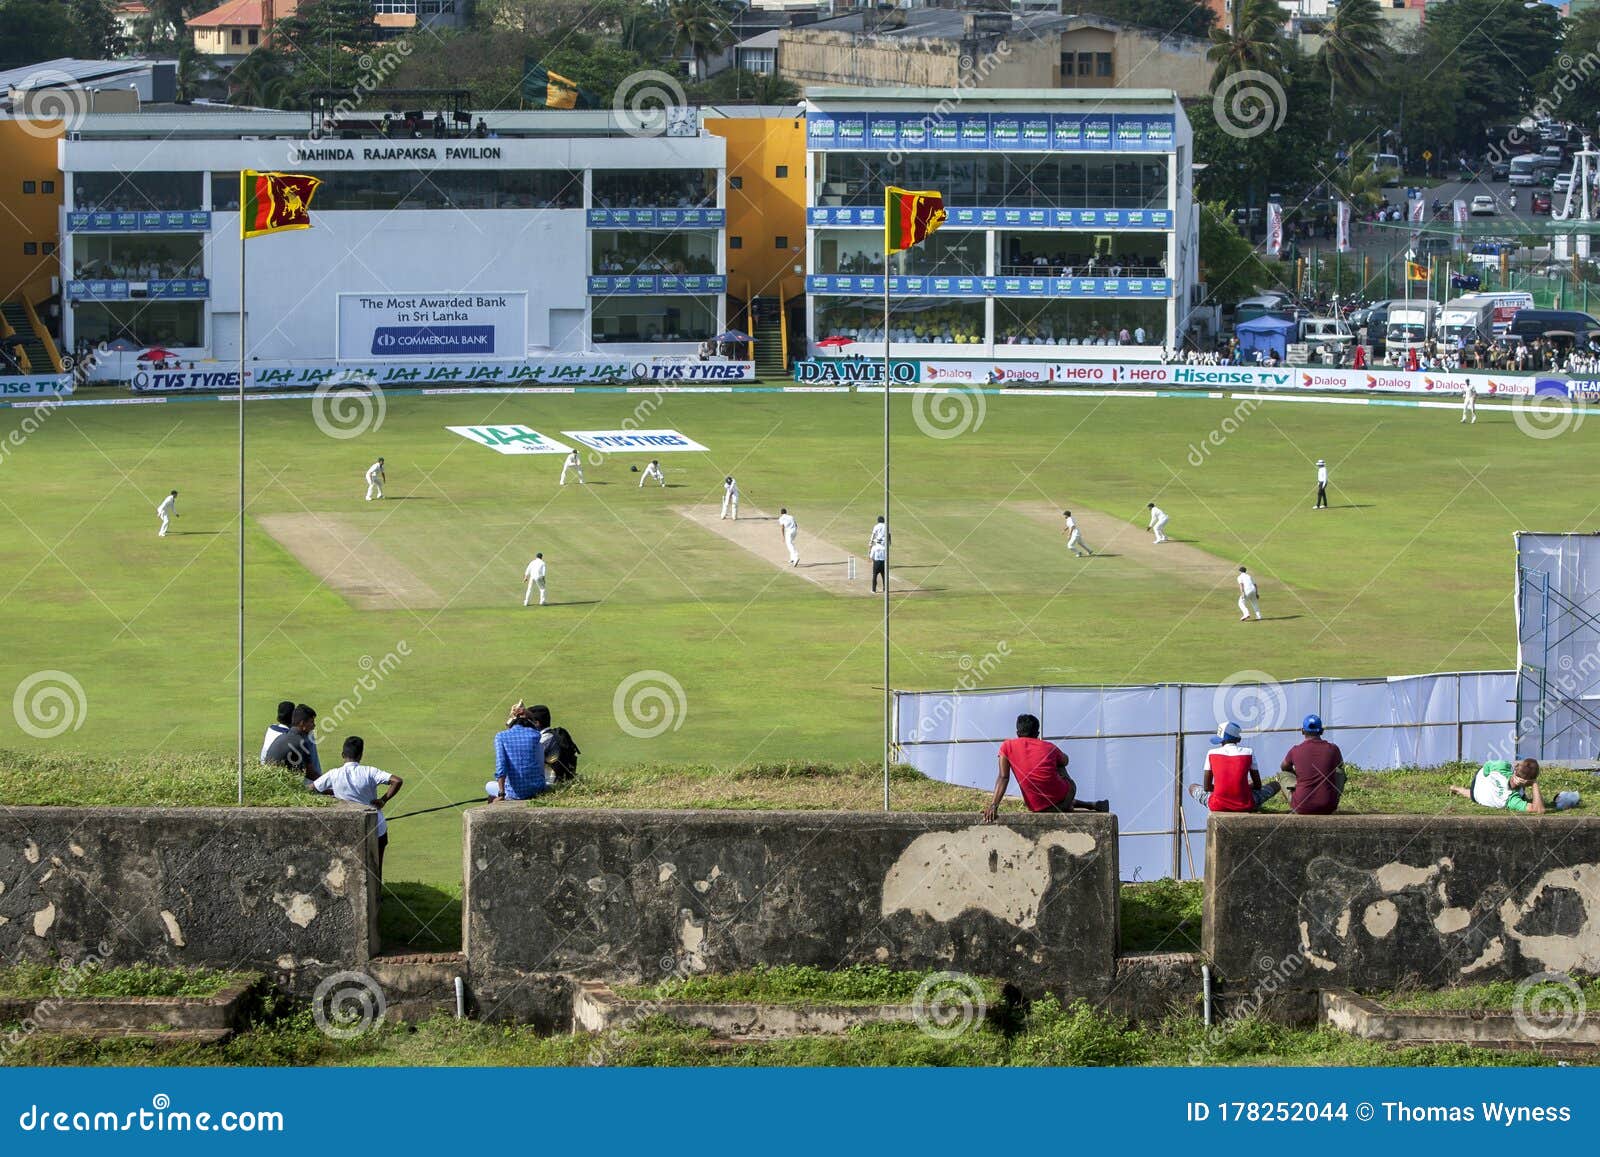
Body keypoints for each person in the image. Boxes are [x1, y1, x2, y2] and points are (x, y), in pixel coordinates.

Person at [980, 713, 1107, 822]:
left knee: (1050, 793)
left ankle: (1088, 804)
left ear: (1017, 732)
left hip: (1036, 806)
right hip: (1062, 798)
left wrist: (994, 805)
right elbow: (1065, 761)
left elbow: (1003, 777)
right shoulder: (1049, 747)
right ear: (1037, 733)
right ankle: (1083, 804)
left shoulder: (1006, 746)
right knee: (1059, 765)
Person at [312, 736, 403, 871]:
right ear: (360, 755)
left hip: (347, 827)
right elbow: (397, 781)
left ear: (343, 755)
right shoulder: (370, 771)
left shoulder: (333, 774)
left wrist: (334, 793)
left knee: (348, 868)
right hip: (376, 826)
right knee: (375, 866)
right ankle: (376, 891)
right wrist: (383, 800)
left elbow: (312, 789)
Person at [1188, 720, 1279, 811]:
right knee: (1275, 785)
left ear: (1221, 740)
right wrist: (1243, 787)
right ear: (1238, 739)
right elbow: (1258, 785)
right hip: (1246, 804)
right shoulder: (1249, 752)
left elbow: (1207, 787)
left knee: (1192, 787)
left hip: (1217, 805)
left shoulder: (1211, 753)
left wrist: (1224, 789)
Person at [486, 700, 556, 801]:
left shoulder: (500, 737)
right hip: (537, 788)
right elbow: (535, 727)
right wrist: (526, 713)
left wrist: (501, 793)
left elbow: (501, 767)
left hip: (514, 793)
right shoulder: (535, 735)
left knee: (488, 786)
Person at [1279, 714, 1345, 815]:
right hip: (1328, 806)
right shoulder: (1333, 749)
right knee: (1340, 772)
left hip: (1302, 807)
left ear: (1302, 731)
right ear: (1322, 731)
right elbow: (1340, 766)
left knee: (1283, 775)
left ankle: (1295, 799)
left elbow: (1284, 767)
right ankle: (1331, 798)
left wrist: (1298, 775)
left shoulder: (1295, 750)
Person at [1449, 758, 1545, 813]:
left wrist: (1495, 782)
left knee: (1483, 791)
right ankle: (1458, 789)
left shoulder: (1502, 766)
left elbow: (1486, 769)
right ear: (1527, 782)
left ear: (1516, 767)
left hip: (1480, 778)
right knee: (1481, 794)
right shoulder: (1512, 800)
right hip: (1476, 796)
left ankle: (1456, 788)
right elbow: (1539, 809)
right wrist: (1534, 783)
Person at [263, 703, 321, 782]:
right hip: (280, 785)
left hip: (271, 780)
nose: (314, 726)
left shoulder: (282, 736)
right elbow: (311, 774)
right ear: (302, 723)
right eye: (311, 722)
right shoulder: (300, 742)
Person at [868, 515, 889, 591]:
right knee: (884, 576)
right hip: (883, 561)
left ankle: (873, 590)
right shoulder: (886, 526)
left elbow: (873, 535)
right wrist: (889, 543)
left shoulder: (875, 547)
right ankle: (885, 589)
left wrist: (870, 545)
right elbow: (889, 535)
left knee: (874, 576)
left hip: (876, 563)